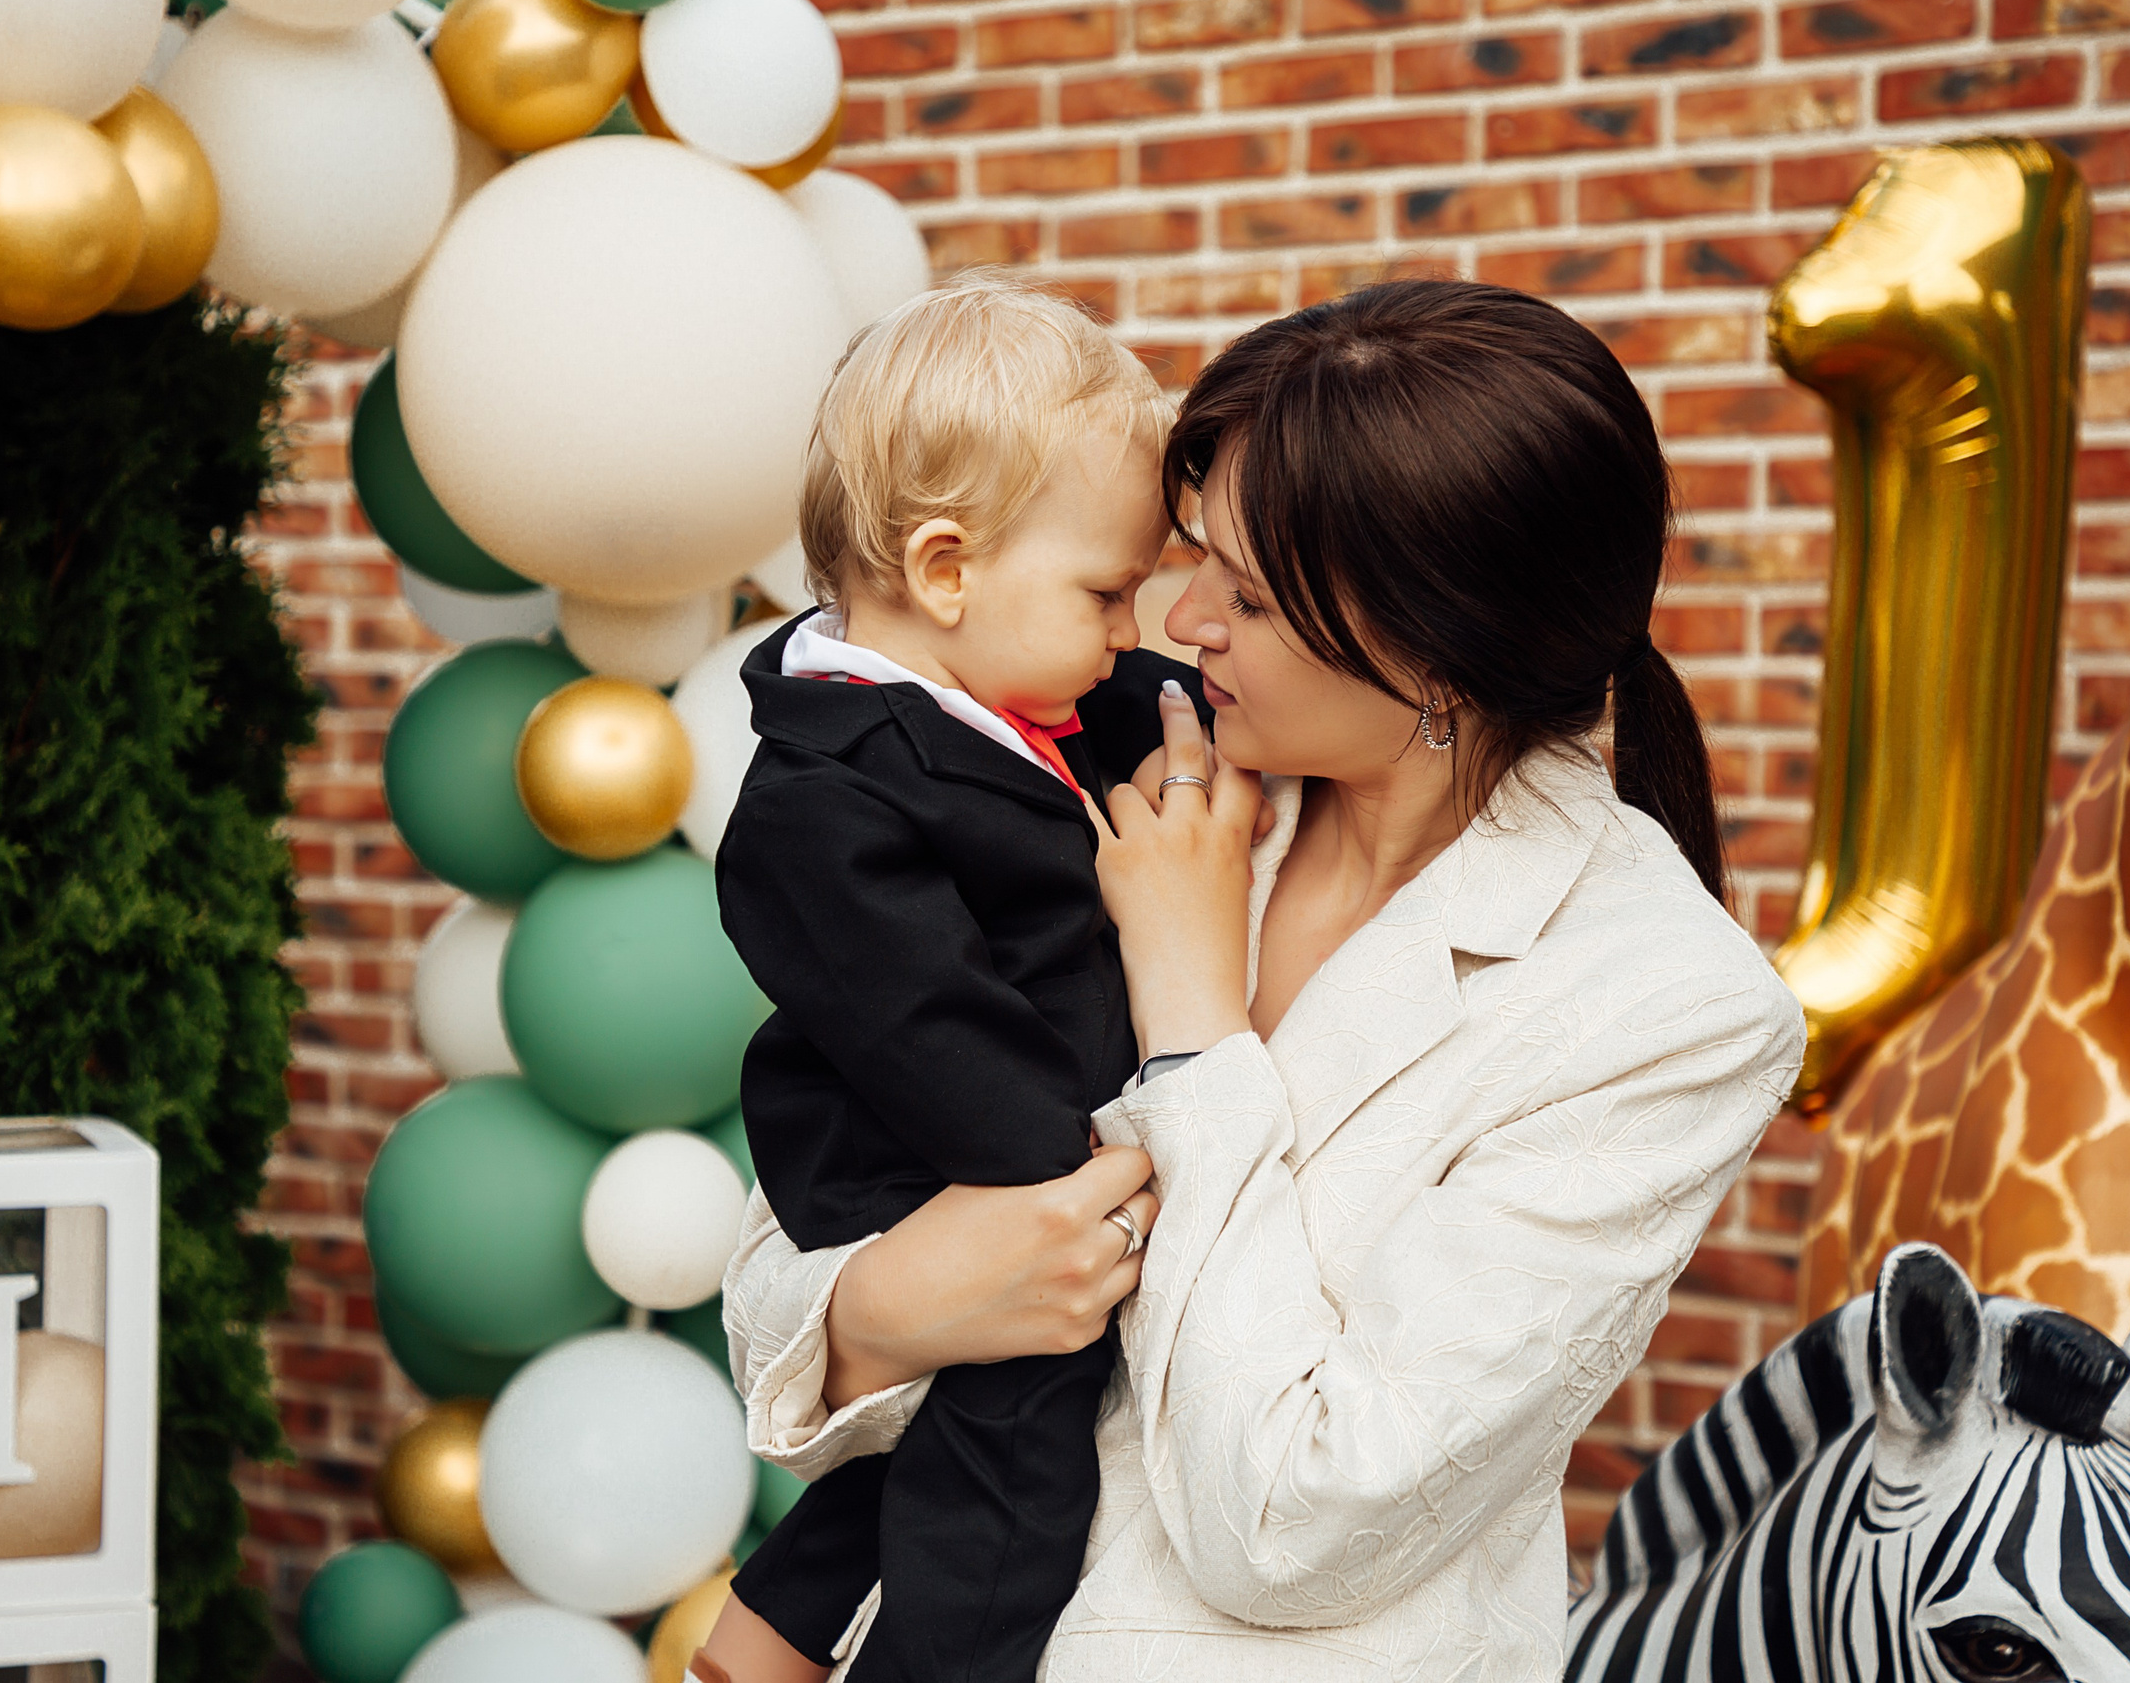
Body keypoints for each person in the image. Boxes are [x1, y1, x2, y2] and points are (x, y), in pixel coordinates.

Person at [721, 278, 1808, 1678]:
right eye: (1184, 563)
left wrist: (1191, 1022)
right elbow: (789, 1248)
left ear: (1434, 646)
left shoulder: (1668, 1007)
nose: (1180, 619)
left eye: (1243, 592)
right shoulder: (1102, 760)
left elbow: (1301, 1519)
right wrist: (883, 1310)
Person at [696, 278, 1187, 1683]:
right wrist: (1078, 1173)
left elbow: (1152, 698)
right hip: (933, 1157)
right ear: (947, 569)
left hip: (998, 1137)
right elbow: (925, 1020)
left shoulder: (1009, 684)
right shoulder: (821, 799)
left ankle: (767, 1634)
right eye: (1107, 592)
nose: (1131, 630)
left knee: (940, 1434)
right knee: (1017, 1458)